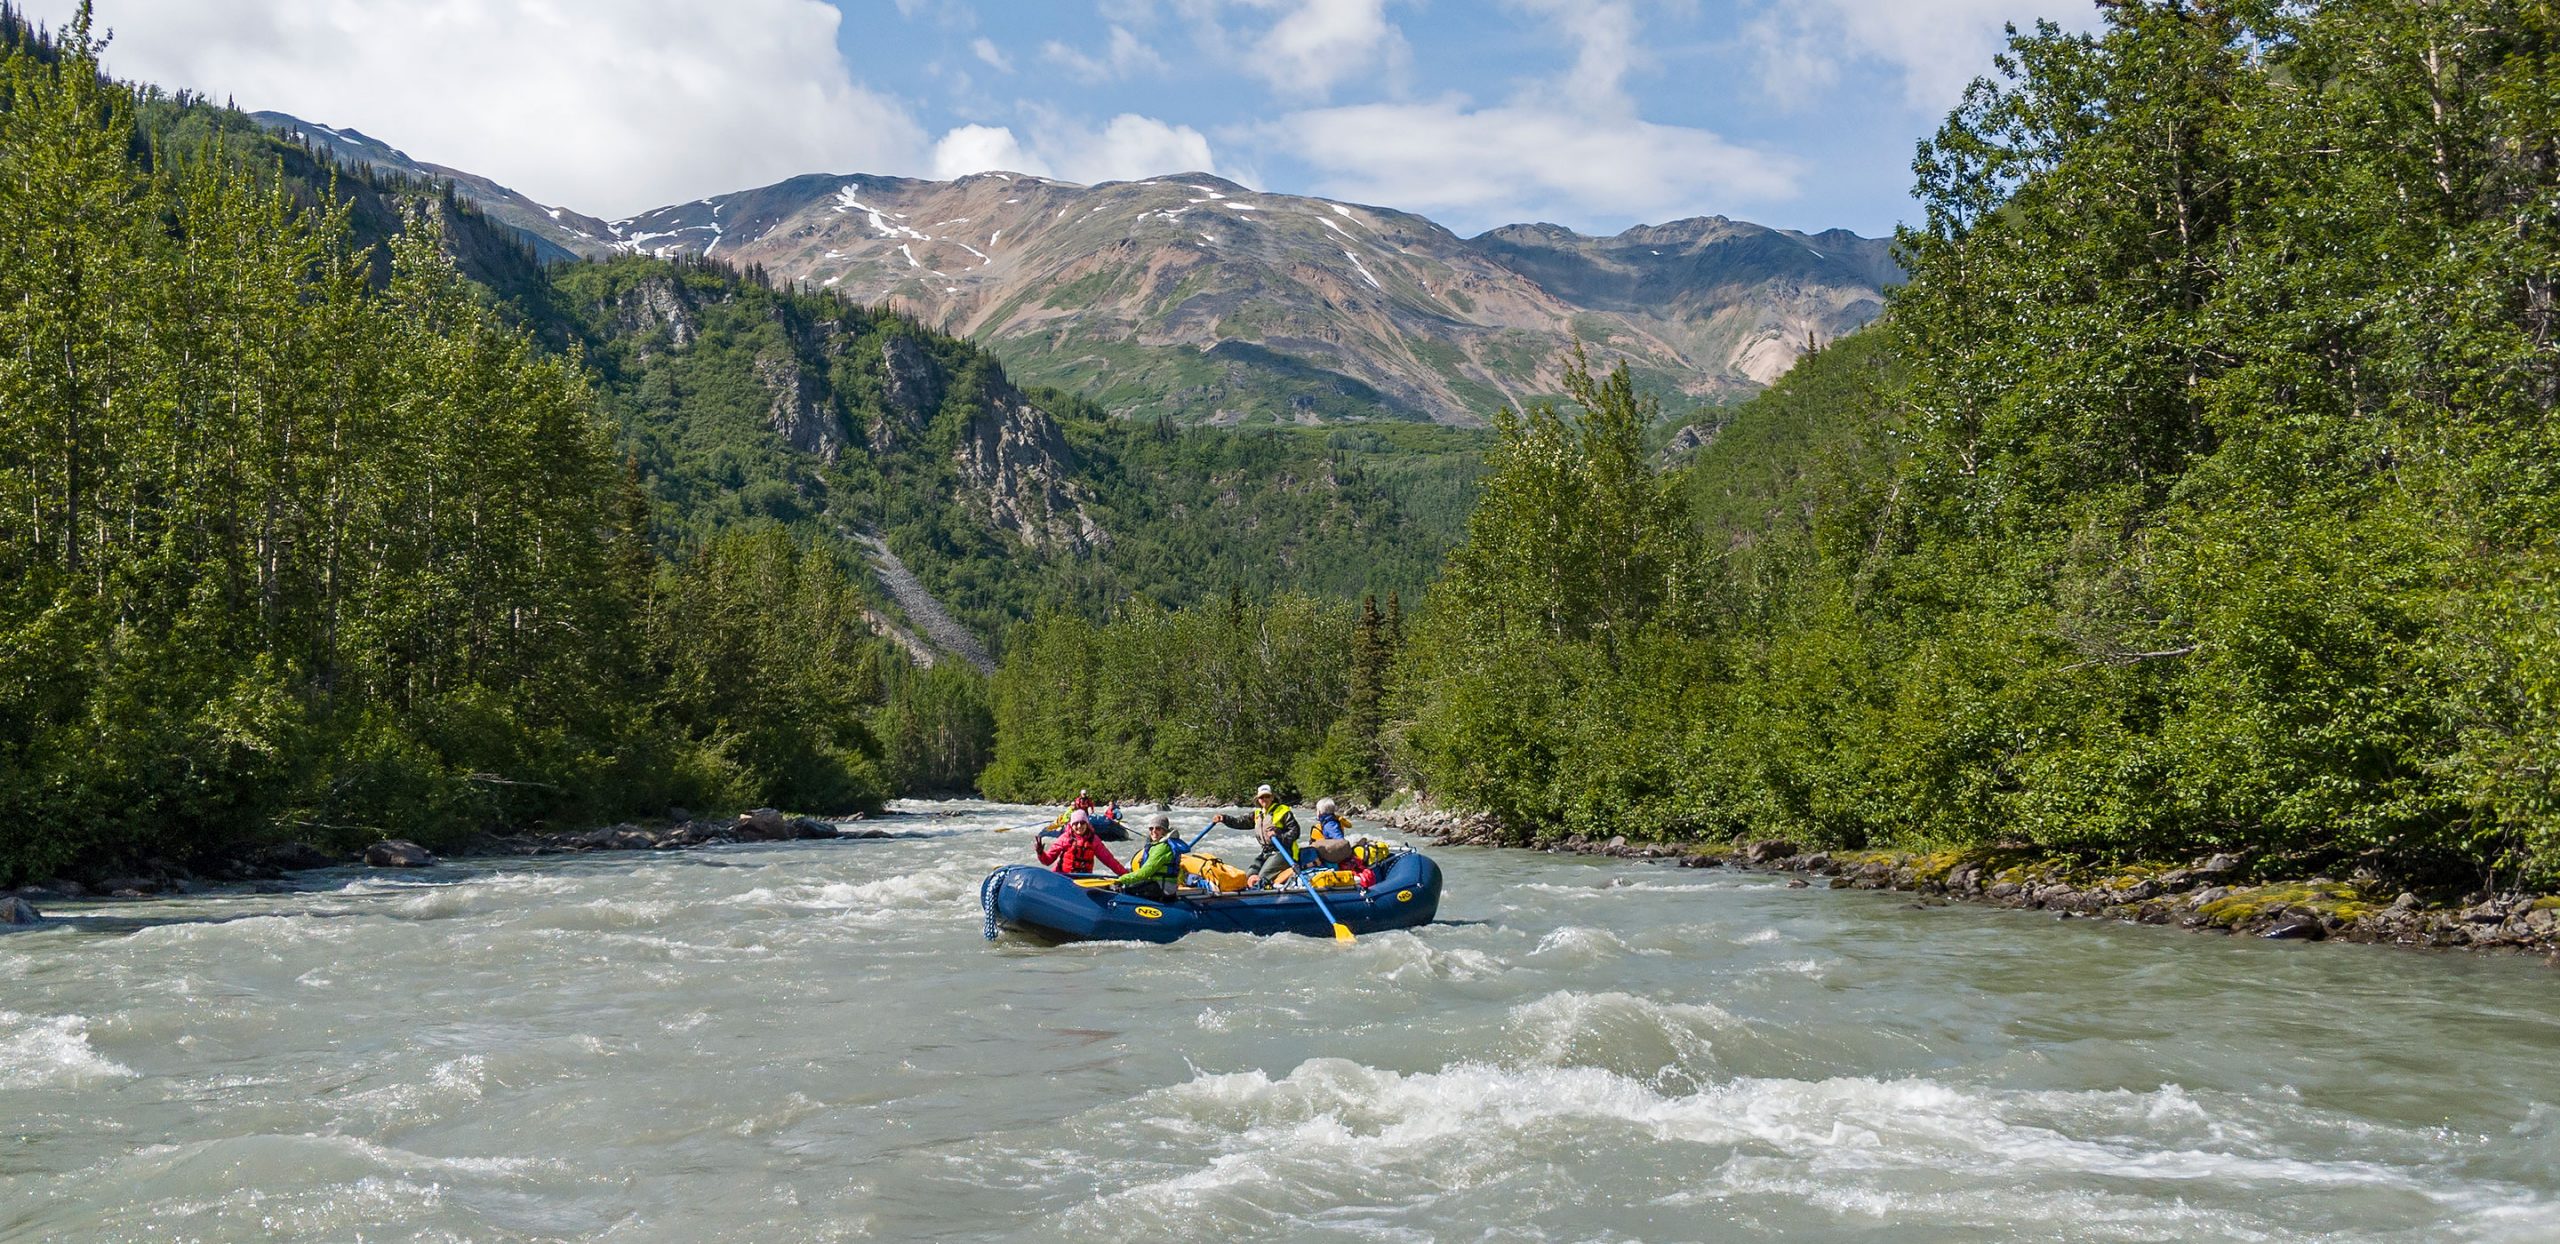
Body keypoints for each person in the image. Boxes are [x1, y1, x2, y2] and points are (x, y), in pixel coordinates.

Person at [1208, 783, 1302, 886]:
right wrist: (1224, 818)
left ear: (1272, 797)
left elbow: (1295, 832)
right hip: (1266, 852)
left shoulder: (1283, 811)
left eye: (1267, 796)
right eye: (1261, 797)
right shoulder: (1258, 813)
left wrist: (1279, 836)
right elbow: (1240, 822)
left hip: (1283, 852)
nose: (1264, 799)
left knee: (1261, 879)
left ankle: (1267, 888)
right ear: (1258, 799)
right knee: (1249, 876)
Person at [1113, 812, 1182, 899]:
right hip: (1162, 885)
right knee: (1132, 884)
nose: (1154, 831)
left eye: (1158, 828)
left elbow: (1144, 873)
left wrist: (1121, 879)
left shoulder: (1163, 848)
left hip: (1163, 889)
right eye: (1151, 829)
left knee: (1126, 889)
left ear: (1164, 831)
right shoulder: (1160, 845)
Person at [1036, 809, 1123, 876]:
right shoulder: (1064, 838)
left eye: (1082, 823)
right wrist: (1040, 853)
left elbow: (1109, 860)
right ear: (1071, 825)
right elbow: (1047, 861)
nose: (1079, 826)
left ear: (1087, 824)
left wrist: (1124, 874)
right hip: (1064, 878)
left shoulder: (1094, 840)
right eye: (1076, 823)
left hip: (1084, 880)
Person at [1306, 797, 1359, 867]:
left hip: (1331, 856)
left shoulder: (1330, 825)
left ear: (1320, 812)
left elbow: (1340, 840)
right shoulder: (1328, 821)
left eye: (1317, 810)